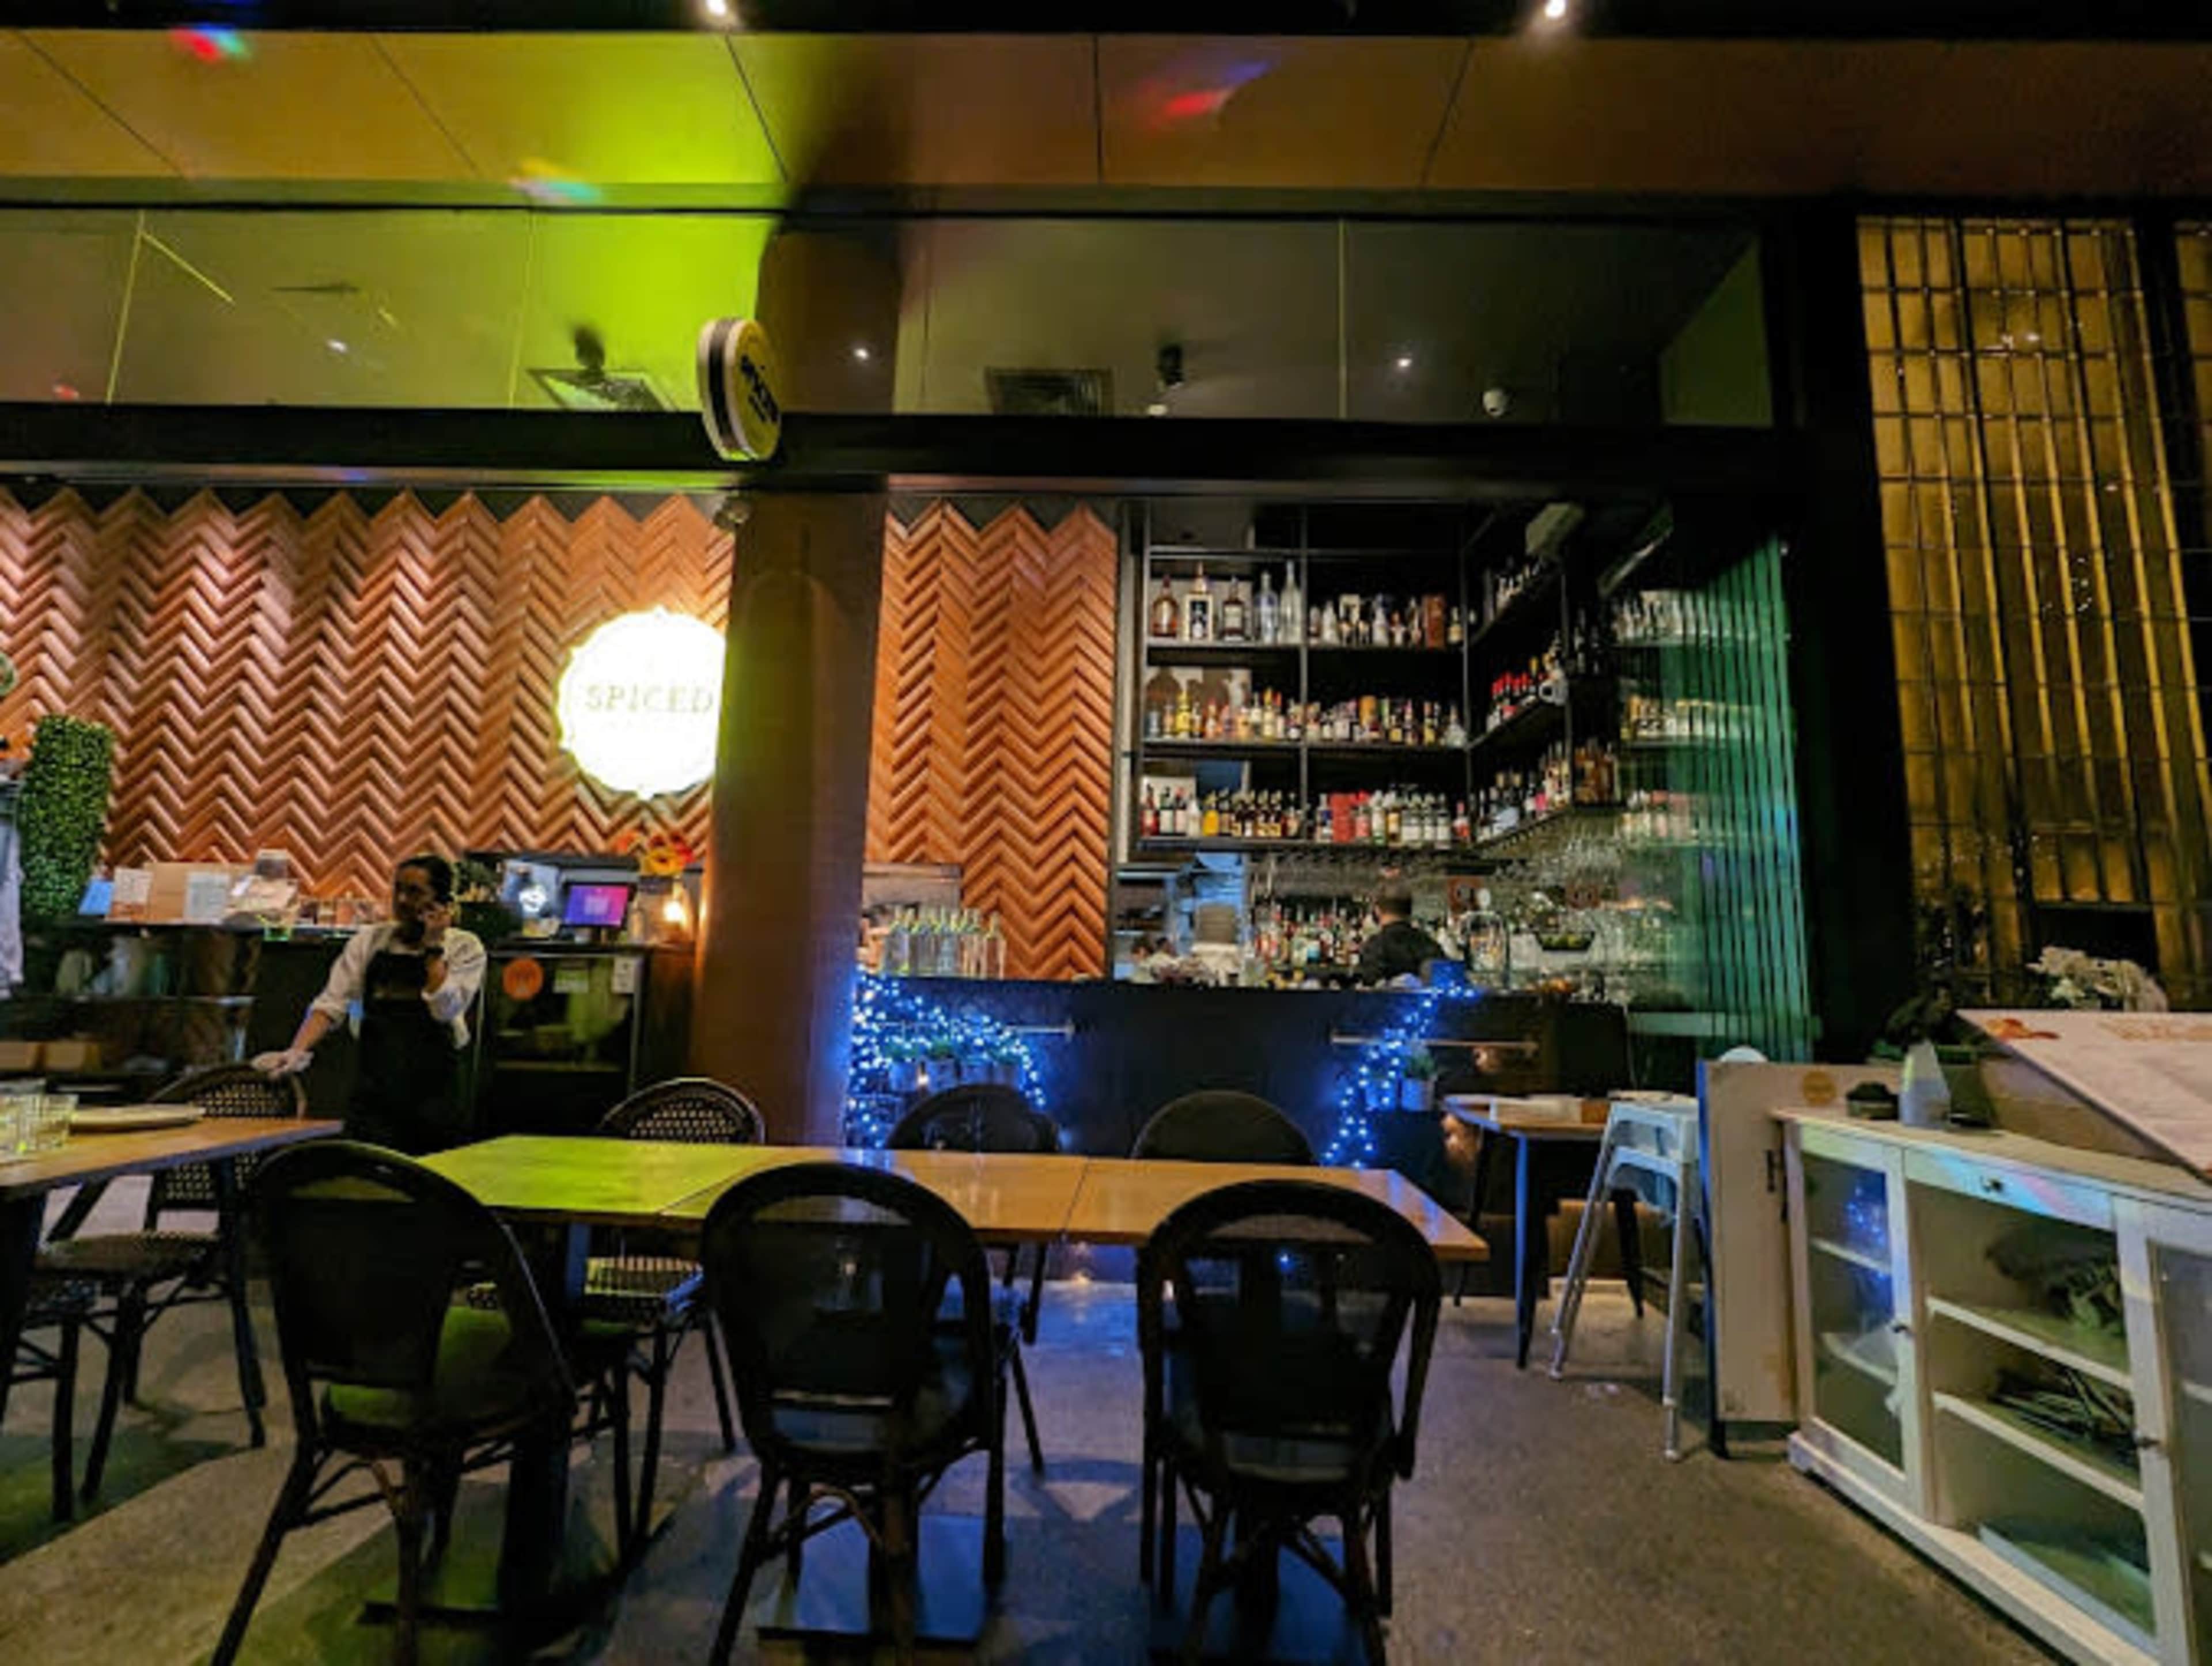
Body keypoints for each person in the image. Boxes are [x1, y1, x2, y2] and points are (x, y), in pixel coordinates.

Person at [255, 854, 486, 1153]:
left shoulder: (465, 948)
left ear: (441, 901)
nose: (402, 900)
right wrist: (297, 1050)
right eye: (398, 890)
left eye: (415, 892)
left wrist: (433, 947)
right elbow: (331, 1003)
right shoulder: (370, 941)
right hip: (374, 1082)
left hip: (436, 1089)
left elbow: (445, 1010)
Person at [1357, 881, 1445, 986]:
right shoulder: (1430, 944)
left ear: (1377, 911)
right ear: (1410, 910)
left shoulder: (1374, 947)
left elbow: (1371, 989)